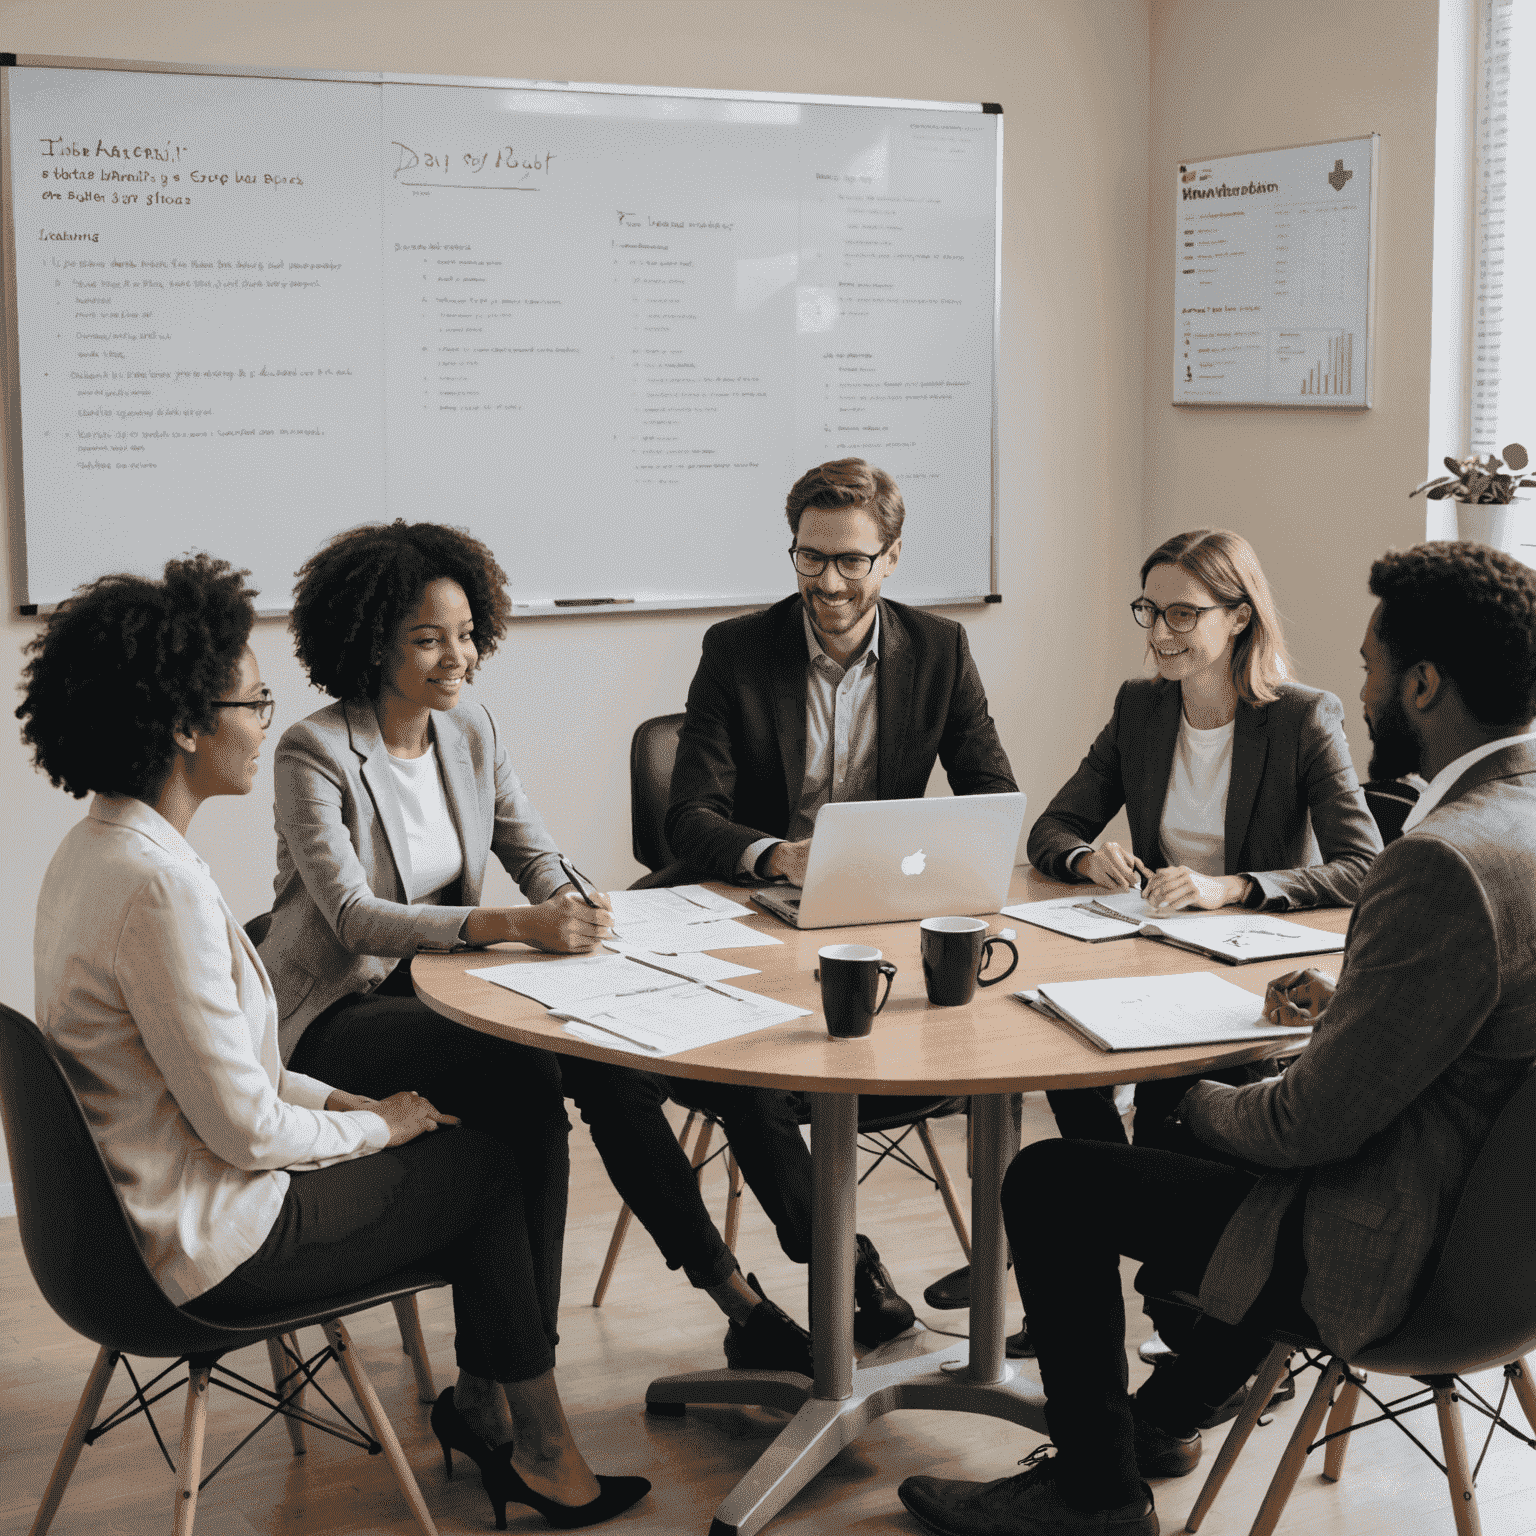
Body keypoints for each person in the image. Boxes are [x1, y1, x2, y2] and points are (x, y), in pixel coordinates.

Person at [895, 540, 1536, 1536]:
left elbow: (1301, 1132)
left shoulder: (1440, 861)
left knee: (1058, 1179)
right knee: (1176, 1152)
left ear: (1422, 683)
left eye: (1371, 665)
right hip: (1507, 1257)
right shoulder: (1517, 825)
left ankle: (1095, 1497)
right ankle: (1165, 1414)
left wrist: (1187, 1094)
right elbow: (1476, 1016)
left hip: (1398, 1249)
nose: (1360, 685)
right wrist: (1350, 999)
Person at [20, 555, 648, 1531]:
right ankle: (536, 1444)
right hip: (210, 1245)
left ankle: (496, 1409)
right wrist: (381, 1129)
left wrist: (341, 1103)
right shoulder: (160, 886)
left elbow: (229, 1072)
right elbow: (243, 1131)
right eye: (250, 698)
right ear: (185, 726)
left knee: (490, 1111)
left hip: (119, 1229)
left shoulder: (94, 850)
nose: (266, 716)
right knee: (485, 1169)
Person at [259, 519, 865, 1384]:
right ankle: (516, 1379)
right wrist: (513, 927)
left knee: (610, 1065)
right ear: (368, 641)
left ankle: (734, 1302)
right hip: (340, 1012)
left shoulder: (469, 732)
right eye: (428, 640)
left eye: (468, 636)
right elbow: (354, 917)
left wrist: (569, 899)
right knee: (531, 1080)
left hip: (446, 986)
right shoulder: (314, 751)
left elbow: (532, 851)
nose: (456, 659)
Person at [663, 456, 1019, 1341]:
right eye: (810, 557)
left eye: (851, 561)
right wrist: (777, 856)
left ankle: (996, 1266)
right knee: (748, 1069)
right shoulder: (738, 649)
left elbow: (990, 791)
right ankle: (846, 1266)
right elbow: (689, 819)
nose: (828, 581)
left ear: (890, 558)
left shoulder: (938, 650)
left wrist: (934, 857)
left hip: (873, 919)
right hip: (753, 907)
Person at [1028, 528, 1381, 1147]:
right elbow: (1052, 830)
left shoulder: (1303, 718)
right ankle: (1111, 1195)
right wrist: (1087, 860)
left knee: (1166, 1117)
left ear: (1240, 616)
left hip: (1250, 976)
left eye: (1184, 614)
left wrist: (1231, 888)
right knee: (1050, 1036)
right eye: (1151, 611)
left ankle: (1114, 1197)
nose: (1160, 632)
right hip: (1153, 955)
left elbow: (1363, 864)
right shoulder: (1141, 708)